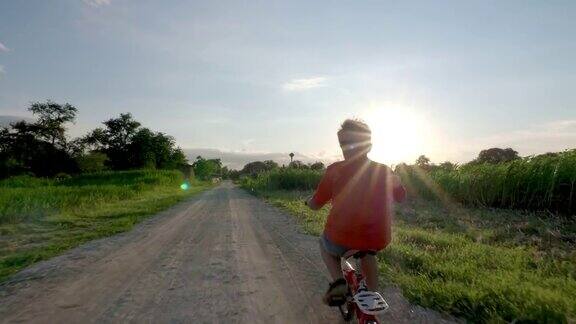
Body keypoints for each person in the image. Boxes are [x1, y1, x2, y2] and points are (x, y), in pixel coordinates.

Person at [305, 119, 406, 305]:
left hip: (340, 238)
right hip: (378, 237)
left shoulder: (334, 171)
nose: (347, 147)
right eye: (343, 143)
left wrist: (308, 202)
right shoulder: (383, 171)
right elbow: (400, 197)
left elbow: (316, 204)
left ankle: (339, 283)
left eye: (352, 142)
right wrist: (398, 185)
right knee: (368, 250)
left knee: (324, 245)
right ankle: (372, 296)